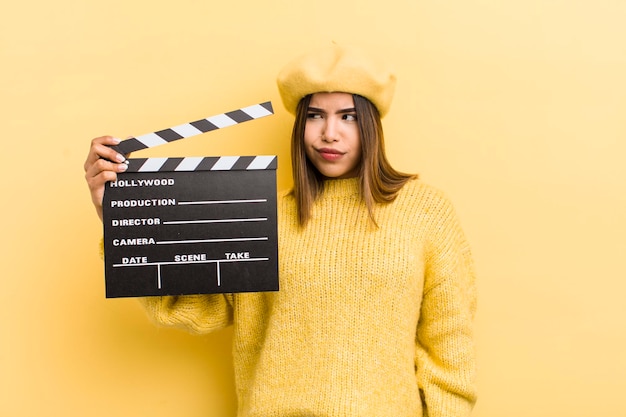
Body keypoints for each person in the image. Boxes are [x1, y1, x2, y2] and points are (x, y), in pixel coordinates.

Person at [84, 44, 477, 417]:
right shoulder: (260, 216)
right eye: (315, 115)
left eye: (348, 116)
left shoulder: (426, 212)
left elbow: (448, 349)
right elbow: (191, 307)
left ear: (371, 125)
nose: (329, 134)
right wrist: (117, 216)